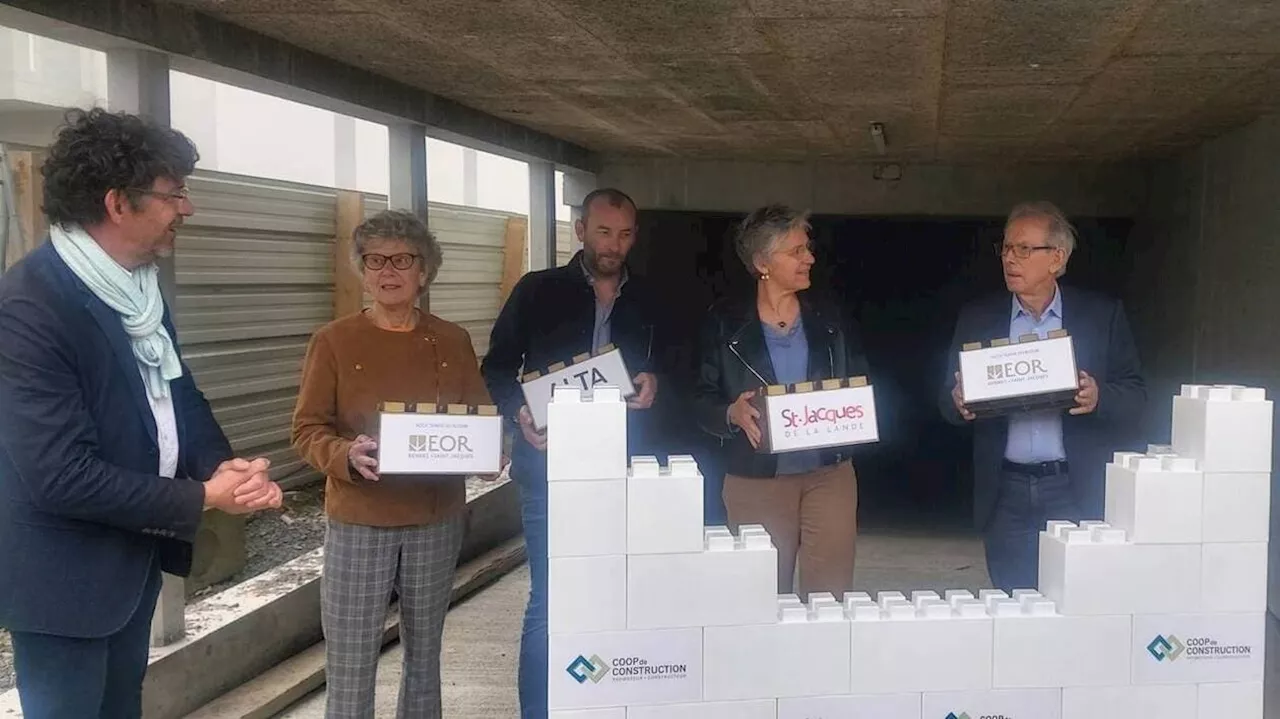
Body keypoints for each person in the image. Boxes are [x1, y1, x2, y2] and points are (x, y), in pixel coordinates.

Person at [0, 107, 282, 719]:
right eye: (174, 192)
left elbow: (178, 396)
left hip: (129, 564)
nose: (188, 207)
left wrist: (230, 467)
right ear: (118, 203)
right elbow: (58, 475)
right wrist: (205, 496)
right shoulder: (30, 307)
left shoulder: (135, 290)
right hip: (62, 583)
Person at [292, 209, 491, 719]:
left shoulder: (453, 340)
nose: (388, 271)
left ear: (424, 271)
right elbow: (307, 429)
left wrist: (493, 448)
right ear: (362, 269)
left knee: (424, 657)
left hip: (435, 517)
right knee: (351, 662)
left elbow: (479, 417)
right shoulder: (334, 341)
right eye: (375, 260)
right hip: (361, 518)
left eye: (402, 260)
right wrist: (344, 455)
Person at [481, 187, 662, 718]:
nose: (614, 244)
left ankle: (602, 704)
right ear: (580, 230)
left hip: (625, 470)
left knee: (619, 597)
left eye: (625, 234)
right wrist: (519, 411)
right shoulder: (537, 291)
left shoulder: (651, 296)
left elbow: (669, 361)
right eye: (604, 231)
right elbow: (495, 369)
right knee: (550, 601)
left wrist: (656, 381)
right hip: (549, 471)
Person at [940, 200, 1146, 592]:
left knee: (1077, 599)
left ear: (1057, 258)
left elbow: (1136, 396)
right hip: (1005, 492)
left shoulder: (1102, 315)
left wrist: (1099, 397)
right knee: (1011, 602)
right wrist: (958, 401)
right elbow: (943, 401)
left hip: (1073, 488)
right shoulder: (978, 318)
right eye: (1005, 248)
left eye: (1023, 249)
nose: (1009, 259)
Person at [694, 203, 870, 600]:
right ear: (762, 262)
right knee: (758, 597)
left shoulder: (830, 317)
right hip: (755, 479)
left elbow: (860, 381)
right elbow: (697, 399)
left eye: (807, 248)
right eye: (796, 251)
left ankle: (819, 664)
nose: (809, 258)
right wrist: (730, 413)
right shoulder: (723, 323)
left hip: (830, 475)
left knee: (830, 598)